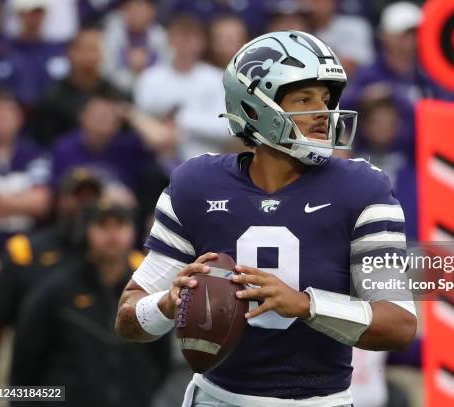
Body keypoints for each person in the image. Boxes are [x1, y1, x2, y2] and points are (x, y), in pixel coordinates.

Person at [115, 30, 417, 406]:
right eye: (304, 98)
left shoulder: (363, 188)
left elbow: (400, 324)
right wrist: (166, 305)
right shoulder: (196, 185)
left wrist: (306, 305)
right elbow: (127, 318)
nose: (322, 112)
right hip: (217, 398)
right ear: (254, 109)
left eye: (326, 99)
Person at [10, 200, 170, 407]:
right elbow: (23, 369)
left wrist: (138, 393)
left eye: (120, 224)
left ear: (133, 231)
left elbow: (161, 362)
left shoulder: (147, 293)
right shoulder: (54, 292)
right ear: (87, 231)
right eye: (103, 225)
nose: (112, 235)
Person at [0, 167, 103, 395]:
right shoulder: (25, 252)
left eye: (91, 198)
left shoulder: (110, 256)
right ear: (58, 201)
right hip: (35, 379)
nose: (83, 205)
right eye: (76, 197)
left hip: (93, 382)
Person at [134, 15, 227, 160]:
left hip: (205, 162)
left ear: (202, 42)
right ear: (169, 40)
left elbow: (227, 128)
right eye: (180, 36)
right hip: (158, 163)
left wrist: (182, 121)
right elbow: (140, 121)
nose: (185, 43)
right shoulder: (150, 78)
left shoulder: (217, 79)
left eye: (191, 37)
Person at [32, 27, 125, 147]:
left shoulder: (115, 95)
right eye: (86, 49)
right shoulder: (52, 98)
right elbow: (44, 141)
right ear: (70, 54)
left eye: (95, 49)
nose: (91, 56)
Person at [0, 91, 51, 258]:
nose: (2, 119)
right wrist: (20, 201)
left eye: (8, 113)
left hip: (24, 252)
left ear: (19, 119)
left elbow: (41, 203)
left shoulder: (35, 155)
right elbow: (31, 201)